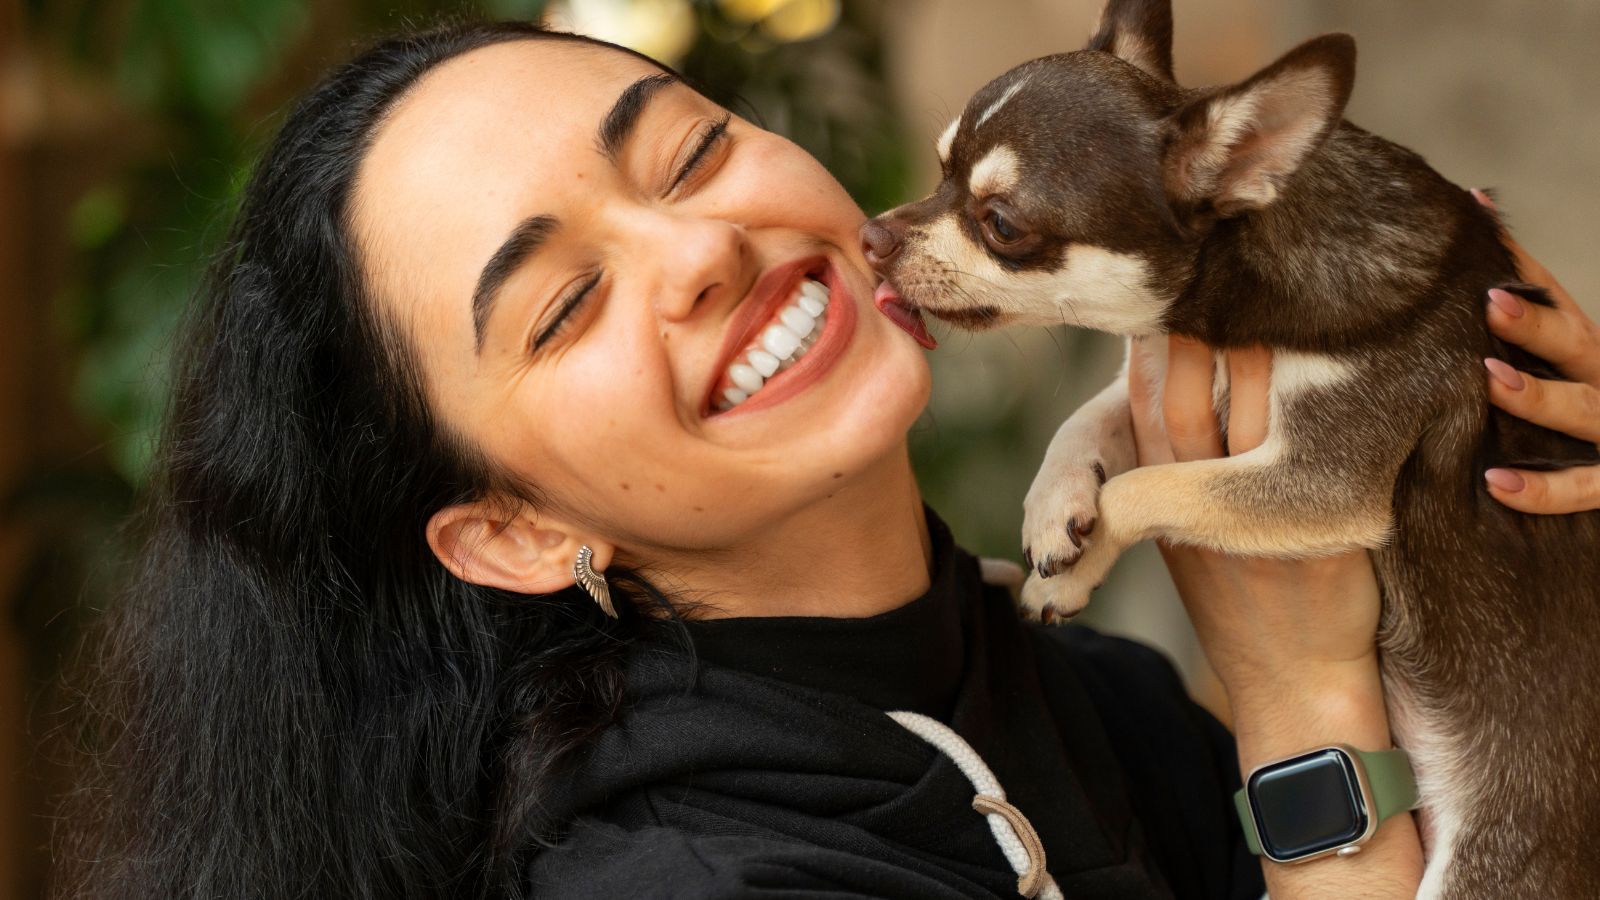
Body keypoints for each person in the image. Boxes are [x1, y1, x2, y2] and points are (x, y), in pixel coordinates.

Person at [52, 21, 1600, 900]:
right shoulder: (693, 886)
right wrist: (1301, 711)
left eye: (692, 150)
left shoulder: (1069, 691)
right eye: (571, 301)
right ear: (515, 533)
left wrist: (1526, 564)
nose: (707, 247)